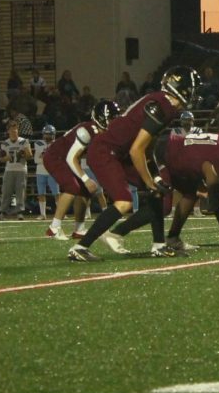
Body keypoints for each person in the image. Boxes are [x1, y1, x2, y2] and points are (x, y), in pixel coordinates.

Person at [68, 67, 201, 261]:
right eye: (192, 89)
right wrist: (148, 180)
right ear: (181, 88)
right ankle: (79, 248)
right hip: (106, 151)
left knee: (157, 191)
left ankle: (159, 245)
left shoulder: (163, 104)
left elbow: (146, 148)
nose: (194, 95)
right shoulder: (162, 105)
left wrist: (154, 175)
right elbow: (136, 150)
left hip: (120, 152)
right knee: (123, 202)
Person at [108, 126, 219, 255]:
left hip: (176, 154)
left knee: (190, 193)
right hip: (164, 154)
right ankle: (116, 233)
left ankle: (173, 239)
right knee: (164, 206)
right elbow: (216, 204)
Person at [42, 101, 119, 240]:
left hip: (64, 158)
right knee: (72, 187)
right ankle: (54, 228)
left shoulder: (98, 132)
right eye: (113, 118)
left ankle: (79, 228)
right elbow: (71, 158)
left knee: (84, 191)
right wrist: (85, 178)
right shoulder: (88, 130)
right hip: (55, 157)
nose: (114, 122)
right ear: (103, 118)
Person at [0, 120, 32, 220]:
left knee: (20, 191)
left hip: (21, 169)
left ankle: (19, 212)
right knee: (6, 191)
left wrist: (23, 154)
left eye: (15, 129)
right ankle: (3, 211)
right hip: (9, 169)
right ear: (8, 131)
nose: (14, 131)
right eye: (12, 130)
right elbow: (1, 159)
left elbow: (30, 155)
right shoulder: (5, 143)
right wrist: (7, 158)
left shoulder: (24, 141)